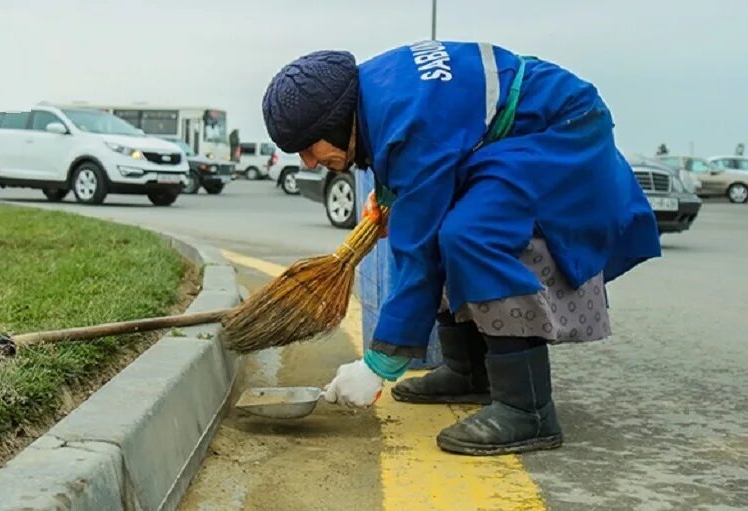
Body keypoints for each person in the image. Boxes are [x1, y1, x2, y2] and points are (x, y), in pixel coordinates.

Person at [260, 40, 661, 456]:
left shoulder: (407, 125)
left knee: (470, 234)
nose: (307, 162)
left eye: (309, 147)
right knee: (444, 226)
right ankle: (471, 372)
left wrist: (377, 366)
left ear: (337, 120)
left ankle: (529, 410)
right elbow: (430, 150)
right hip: (515, 132)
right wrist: (389, 192)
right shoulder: (371, 93)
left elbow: (416, 253)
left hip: (562, 130)